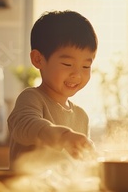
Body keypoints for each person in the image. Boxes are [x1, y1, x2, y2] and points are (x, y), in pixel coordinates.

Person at [8, 10, 98, 167]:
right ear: (38, 59)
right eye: (67, 64)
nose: (77, 74)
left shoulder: (81, 116)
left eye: (86, 66)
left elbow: (81, 162)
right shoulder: (32, 98)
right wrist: (63, 137)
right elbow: (23, 126)